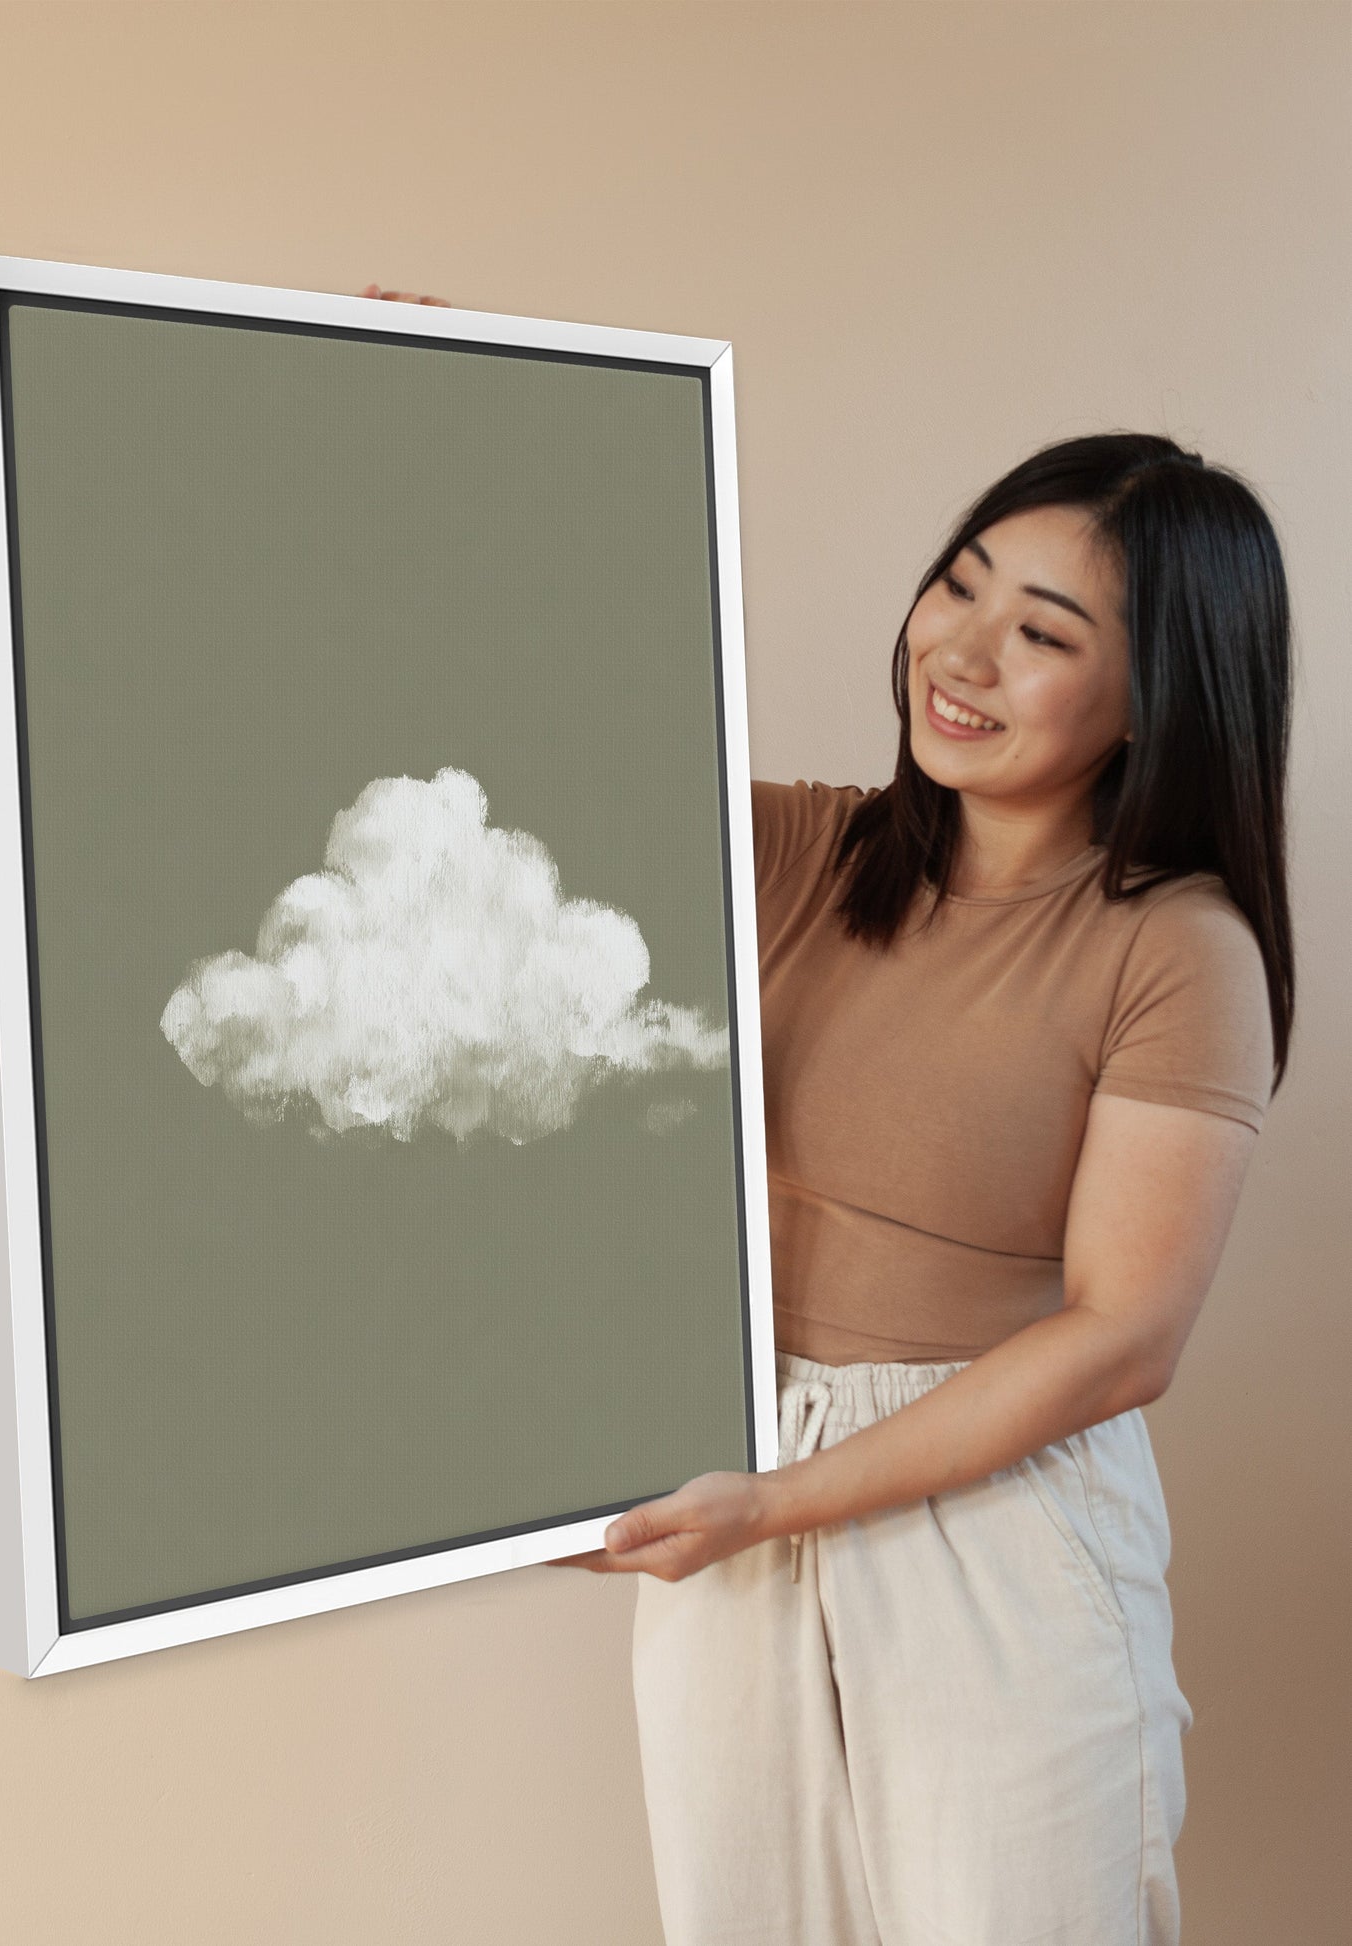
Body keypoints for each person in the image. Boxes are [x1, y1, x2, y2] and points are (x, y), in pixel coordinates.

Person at [359, 287, 1291, 1940]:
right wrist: (458, 432)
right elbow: (494, 753)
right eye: (956, 584)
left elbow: (1121, 1335)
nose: (960, 649)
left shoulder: (1175, 944)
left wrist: (776, 1502)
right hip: (742, 1474)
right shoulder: (798, 847)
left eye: (1043, 633)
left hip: (998, 1523)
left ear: (1153, 699)